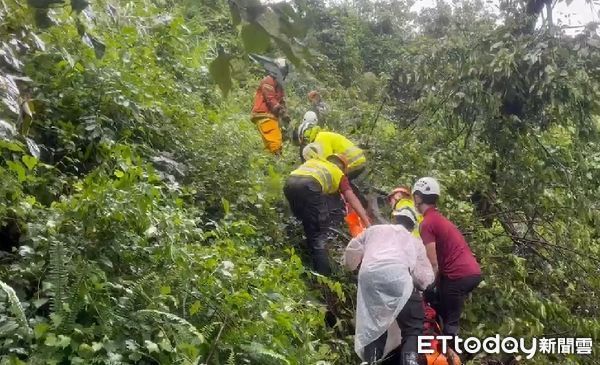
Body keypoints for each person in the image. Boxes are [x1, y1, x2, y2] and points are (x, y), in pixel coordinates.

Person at [343, 205, 434, 365]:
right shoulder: (413, 240)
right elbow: (425, 278)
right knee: (413, 326)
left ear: (394, 219)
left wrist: (351, 265)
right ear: (412, 226)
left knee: (375, 325)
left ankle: (371, 361)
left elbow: (352, 249)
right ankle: (410, 361)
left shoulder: (374, 230)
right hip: (397, 277)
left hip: (369, 278)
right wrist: (419, 285)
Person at [412, 177, 482, 352]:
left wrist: (428, 284)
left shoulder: (427, 223)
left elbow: (433, 262)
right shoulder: (437, 218)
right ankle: (450, 350)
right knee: (441, 307)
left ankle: (452, 353)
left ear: (419, 197)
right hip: (469, 272)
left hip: (457, 276)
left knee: (450, 321)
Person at [284, 145, 371, 276]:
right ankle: (323, 278)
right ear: (343, 168)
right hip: (310, 187)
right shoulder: (338, 173)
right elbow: (351, 198)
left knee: (301, 219)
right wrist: (367, 223)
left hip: (290, 184)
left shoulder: (316, 161)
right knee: (319, 236)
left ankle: (292, 252)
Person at [250, 58, 290, 155]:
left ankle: (268, 165)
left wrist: (285, 115)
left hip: (269, 116)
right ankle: (278, 165)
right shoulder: (268, 81)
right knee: (275, 144)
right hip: (264, 115)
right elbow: (270, 99)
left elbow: (282, 101)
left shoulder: (279, 86)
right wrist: (282, 112)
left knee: (269, 147)